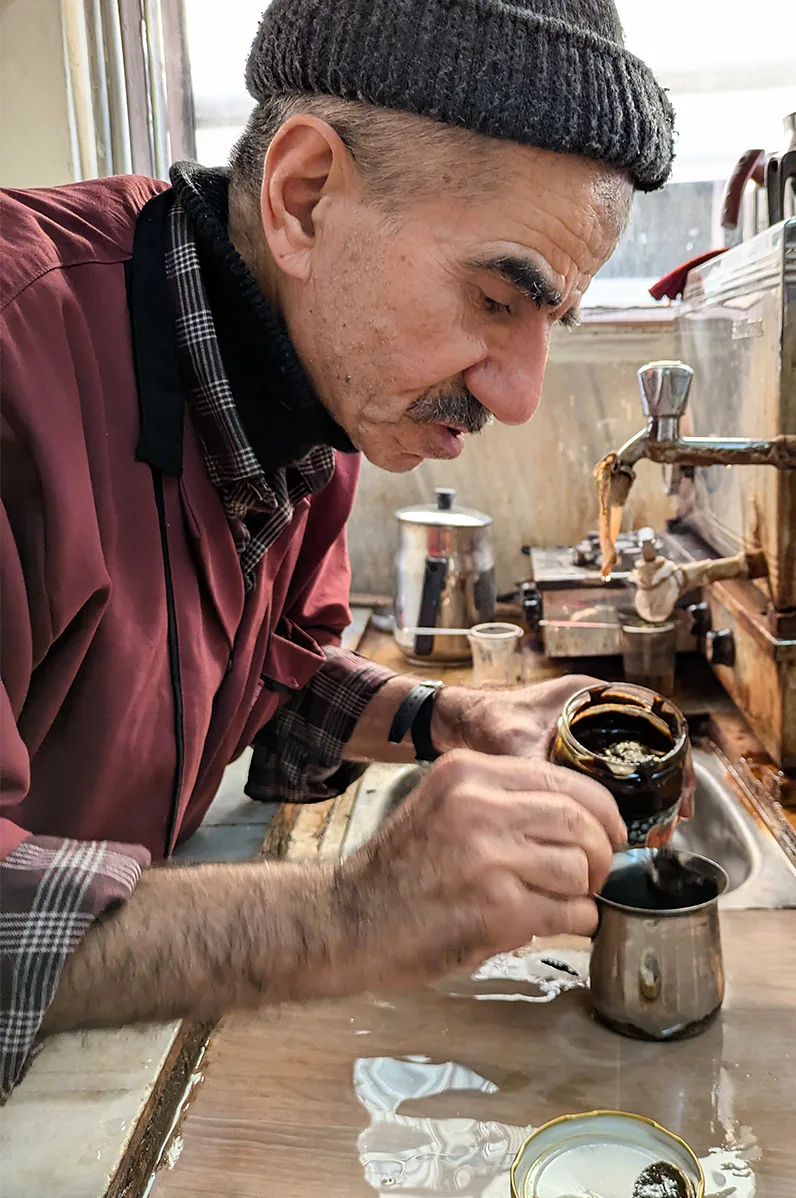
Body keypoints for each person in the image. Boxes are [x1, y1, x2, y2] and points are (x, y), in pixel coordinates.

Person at [0, 0, 673, 1098]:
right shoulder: (17, 347)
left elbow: (271, 668)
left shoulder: (323, 392)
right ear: (305, 198)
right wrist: (350, 913)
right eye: (497, 297)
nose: (517, 391)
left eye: (554, 323)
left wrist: (445, 718)